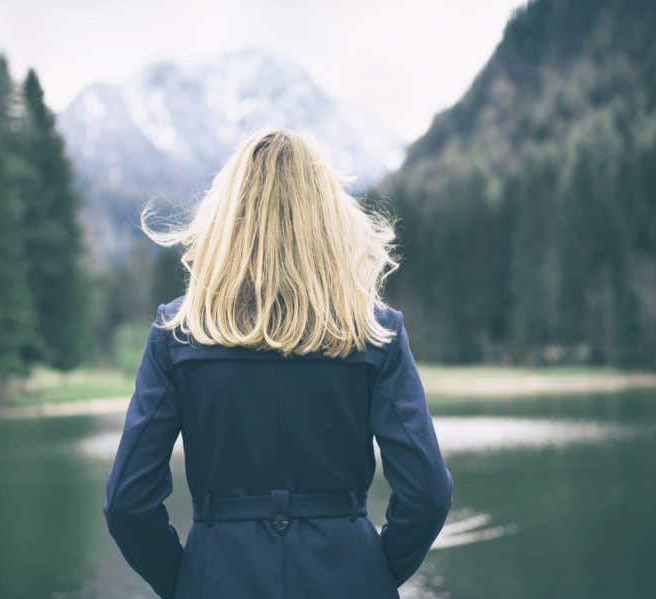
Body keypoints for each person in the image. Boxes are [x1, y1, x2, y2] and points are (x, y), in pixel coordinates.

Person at [103, 128, 453, 598]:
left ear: (228, 219)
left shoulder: (178, 333)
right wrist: (371, 571)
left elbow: (128, 502)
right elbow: (427, 495)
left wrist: (189, 580)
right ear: (328, 219)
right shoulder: (376, 333)